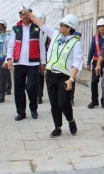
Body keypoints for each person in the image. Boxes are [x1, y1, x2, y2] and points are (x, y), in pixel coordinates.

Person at [23, 10, 82, 138]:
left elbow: (77, 63)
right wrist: (30, 14)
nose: (59, 26)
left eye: (62, 25)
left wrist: (71, 79)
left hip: (64, 77)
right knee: (54, 103)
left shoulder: (75, 43)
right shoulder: (55, 34)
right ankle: (58, 127)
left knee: (63, 102)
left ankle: (71, 120)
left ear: (69, 28)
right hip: (51, 75)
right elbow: (42, 25)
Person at [6, 4, 47, 121]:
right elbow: (11, 45)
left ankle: (33, 109)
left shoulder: (37, 28)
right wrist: (9, 59)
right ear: (20, 16)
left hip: (33, 64)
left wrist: (43, 62)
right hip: (19, 64)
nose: (25, 16)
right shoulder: (15, 29)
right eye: (22, 13)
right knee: (18, 89)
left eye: (27, 13)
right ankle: (21, 112)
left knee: (32, 88)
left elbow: (41, 47)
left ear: (30, 15)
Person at [87, 18, 104, 109]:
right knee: (94, 81)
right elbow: (91, 50)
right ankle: (94, 101)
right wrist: (88, 61)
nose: (102, 28)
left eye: (103, 26)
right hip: (96, 61)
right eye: (100, 27)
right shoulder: (95, 37)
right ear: (97, 28)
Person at [37, 12, 50, 104]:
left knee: (41, 76)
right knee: (36, 77)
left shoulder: (47, 32)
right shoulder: (33, 30)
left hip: (44, 57)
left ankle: (40, 95)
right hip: (35, 56)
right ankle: (38, 94)